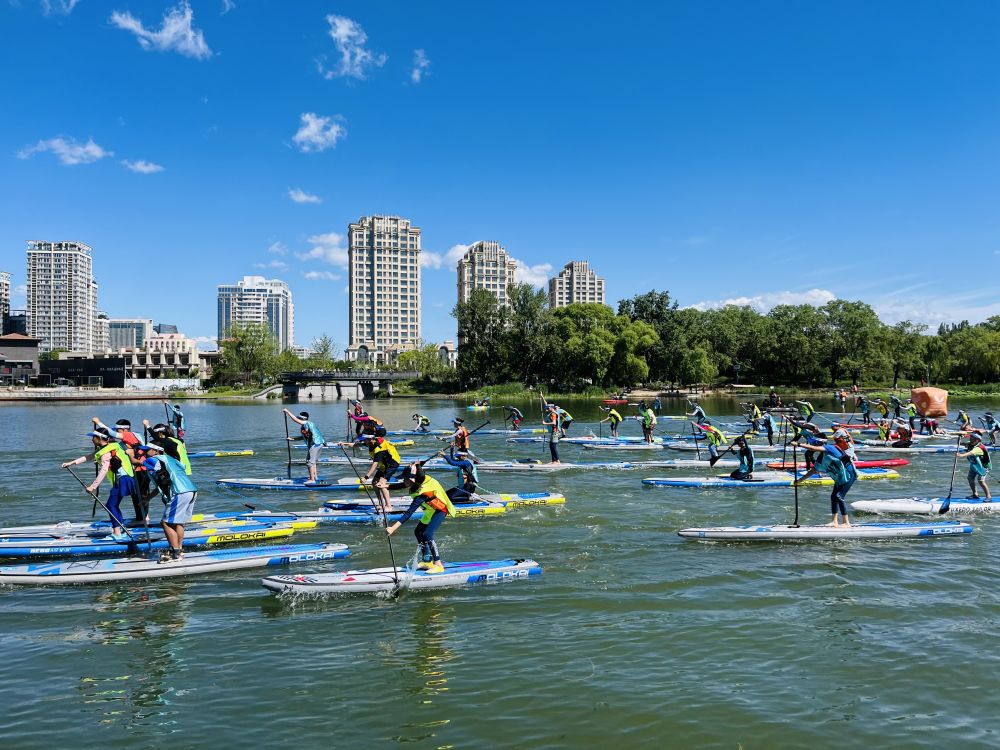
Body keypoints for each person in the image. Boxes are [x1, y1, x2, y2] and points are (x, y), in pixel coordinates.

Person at [61, 427, 137, 538]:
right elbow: (89, 457)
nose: (92, 440)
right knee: (114, 505)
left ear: (99, 438)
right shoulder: (111, 446)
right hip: (129, 478)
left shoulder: (105, 453)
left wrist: (93, 486)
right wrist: (71, 463)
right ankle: (119, 528)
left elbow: (104, 470)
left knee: (111, 505)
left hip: (123, 480)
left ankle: (117, 533)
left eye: (93, 437)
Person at [386, 463, 457, 573]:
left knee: (427, 534)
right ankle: (427, 560)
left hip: (440, 511)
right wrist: (387, 486)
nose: (403, 481)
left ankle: (438, 564)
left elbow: (409, 513)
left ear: (413, 479)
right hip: (430, 511)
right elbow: (404, 485)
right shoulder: (418, 481)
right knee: (418, 532)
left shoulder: (423, 493)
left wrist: (393, 528)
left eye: (405, 478)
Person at [141, 442, 198, 563]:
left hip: (180, 492)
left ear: (156, 451)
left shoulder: (154, 459)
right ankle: (179, 550)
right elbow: (161, 485)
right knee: (178, 522)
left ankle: (175, 553)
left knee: (165, 523)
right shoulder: (172, 460)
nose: (144, 452)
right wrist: (148, 498)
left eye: (148, 450)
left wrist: (130, 455)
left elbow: (139, 463)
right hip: (191, 490)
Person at [92, 416, 149, 523]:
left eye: (118, 430)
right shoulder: (137, 435)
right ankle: (143, 517)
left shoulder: (128, 435)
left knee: (139, 496)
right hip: (141, 468)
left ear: (124, 429)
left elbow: (111, 434)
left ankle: (142, 519)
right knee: (139, 494)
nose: (117, 433)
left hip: (139, 469)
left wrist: (99, 423)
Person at [794, 441, 854, 527]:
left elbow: (813, 448)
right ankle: (834, 521)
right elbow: (813, 471)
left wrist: (798, 444)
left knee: (839, 496)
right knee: (833, 497)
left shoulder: (830, 448)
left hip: (849, 475)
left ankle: (846, 523)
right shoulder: (820, 460)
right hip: (839, 478)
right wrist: (799, 481)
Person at [344, 434, 401, 513]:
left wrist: (366, 477)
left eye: (365, 440)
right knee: (374, 482)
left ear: (371, 440)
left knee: (381, 484)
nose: (363, 441)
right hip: (384, 464)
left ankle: (388, 506)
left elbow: (374, 465)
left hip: (392, 464)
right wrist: (344, 444)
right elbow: (357, 444)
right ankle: (381, 503)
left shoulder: (379, 450)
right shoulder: (371, 442)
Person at [284, 409, 325, 485]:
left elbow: (295, 420)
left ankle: (312, 480)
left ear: (302, 418)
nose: (298, 419)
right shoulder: (304, 426)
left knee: (310, 462)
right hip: (317, 444)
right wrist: (292, 438)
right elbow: (303, 436)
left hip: (315, 444)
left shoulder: (308, 423)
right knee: (312, 462)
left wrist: (288, 412)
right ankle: (315, 477)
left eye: (299, 418)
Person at [957, 433, 991, 501]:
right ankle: (975, 494)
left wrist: (960, 455)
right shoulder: (970, 443)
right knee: (970, 478)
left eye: (972, 438)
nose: (970, 438)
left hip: (983, 467)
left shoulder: (978, 448)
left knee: (981, 481)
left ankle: (988, 497)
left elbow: (970, 453)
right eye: (971, 437)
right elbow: (961, 443)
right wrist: (959, 438)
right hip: (974, 465)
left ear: (977, 440)